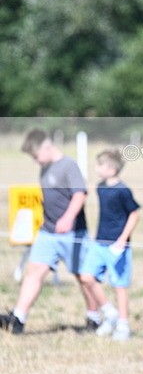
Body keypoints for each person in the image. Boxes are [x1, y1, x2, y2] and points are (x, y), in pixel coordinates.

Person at [0, 128, 98, 335]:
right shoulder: (45, 167)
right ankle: (18, 318)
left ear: (46, 146)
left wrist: (68, 218)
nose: (35, 161)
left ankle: (94, 318)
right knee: (34, 271)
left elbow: (80, 195)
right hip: (48, 231)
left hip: (73, 233)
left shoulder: (68, 166)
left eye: (36, 156)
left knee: (83, 276)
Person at [79, 148, 140, 341]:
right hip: (99, 243)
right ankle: (109, 312)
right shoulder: (99, 187)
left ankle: (123, 324)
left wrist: (122, 240)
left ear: (112, 169)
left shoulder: (123, 190)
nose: (97, 169)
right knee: (86, 277)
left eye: (100, 165)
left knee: (119, 286)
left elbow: (134, 214)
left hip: (118, 246)